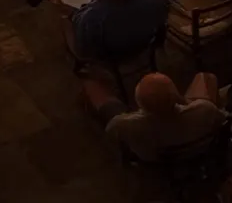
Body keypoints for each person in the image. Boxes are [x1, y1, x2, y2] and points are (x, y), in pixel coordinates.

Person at [95, 70, 224, 163]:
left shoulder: (125, 125)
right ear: (176, 96)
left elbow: (110, 131)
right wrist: (185, 102)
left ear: (139, 104)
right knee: (206, 78)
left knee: (107, 103)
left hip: (154, 159)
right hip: (195, 149)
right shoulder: (205, 109)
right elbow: (221, 119)